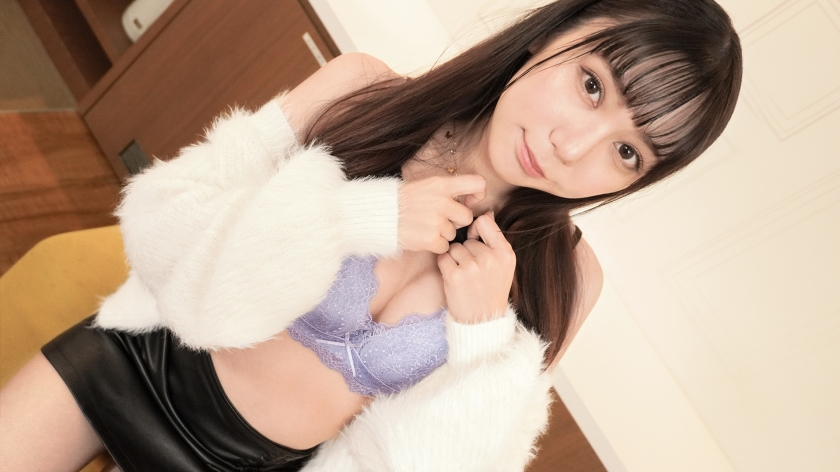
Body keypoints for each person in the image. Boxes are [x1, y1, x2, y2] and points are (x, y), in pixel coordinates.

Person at [0, 0, 742, 470]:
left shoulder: (565, 280)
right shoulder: (362, 92)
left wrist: (482, 336)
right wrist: (360, 217)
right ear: (553, 34)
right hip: (136, 364)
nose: (572, 147)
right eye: (592, 85)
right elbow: (162, 217)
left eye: (627, 152)